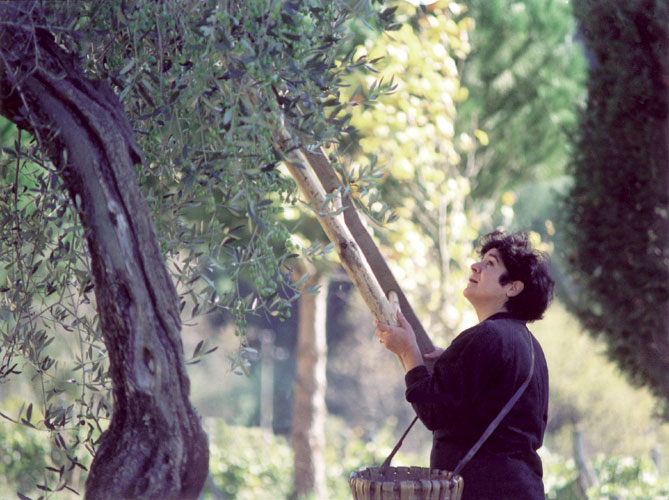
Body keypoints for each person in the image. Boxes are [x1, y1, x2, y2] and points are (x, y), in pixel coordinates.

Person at [375, 230, 554, 500]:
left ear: (513, 287)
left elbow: (432, 412)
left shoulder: (485, 337)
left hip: (482, 491)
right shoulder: (530, 346)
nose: (476, 266)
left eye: (490, 263)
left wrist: (408, 350)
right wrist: (453, 360)